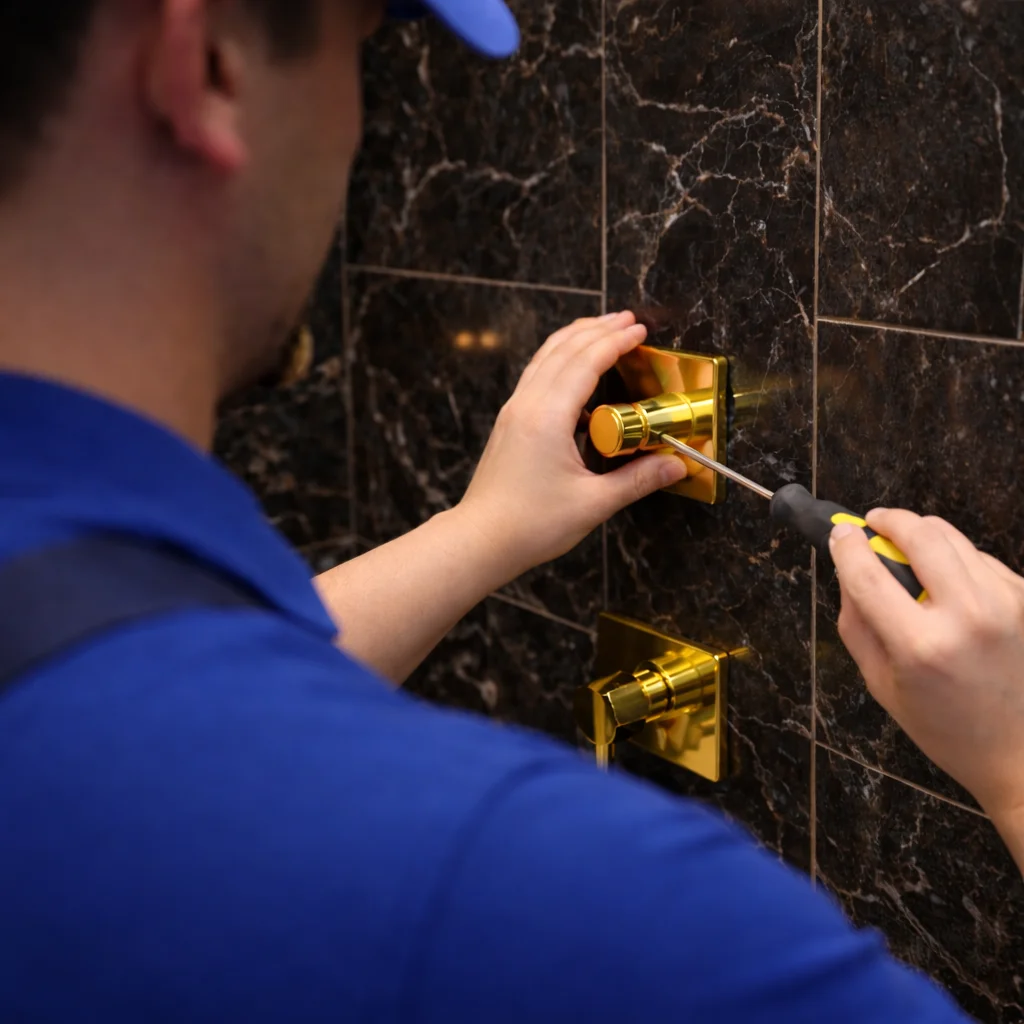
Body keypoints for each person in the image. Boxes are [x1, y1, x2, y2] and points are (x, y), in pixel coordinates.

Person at [0, 0, 1020, 1020]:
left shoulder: (78, 698)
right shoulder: (555, 894)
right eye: (364, 51)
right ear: (206, 66)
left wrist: (480, 530)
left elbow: (164, 716)